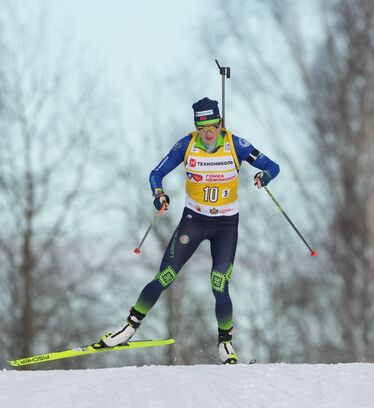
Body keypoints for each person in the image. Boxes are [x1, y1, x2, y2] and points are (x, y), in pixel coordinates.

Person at [100, 97, 280, 364]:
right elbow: (155, 174)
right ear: (196, 127)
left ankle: (225, 343)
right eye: (202, 128)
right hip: (193, 221)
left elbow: (272, 167)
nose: (207, 134)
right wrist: (158, 194)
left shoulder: (236, 144)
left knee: (219, 285)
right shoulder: (186, 144)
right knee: (166, 276)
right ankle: (128, 328)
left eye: (212, 127)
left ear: (220, 123)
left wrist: (263, 176)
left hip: (226, 225)